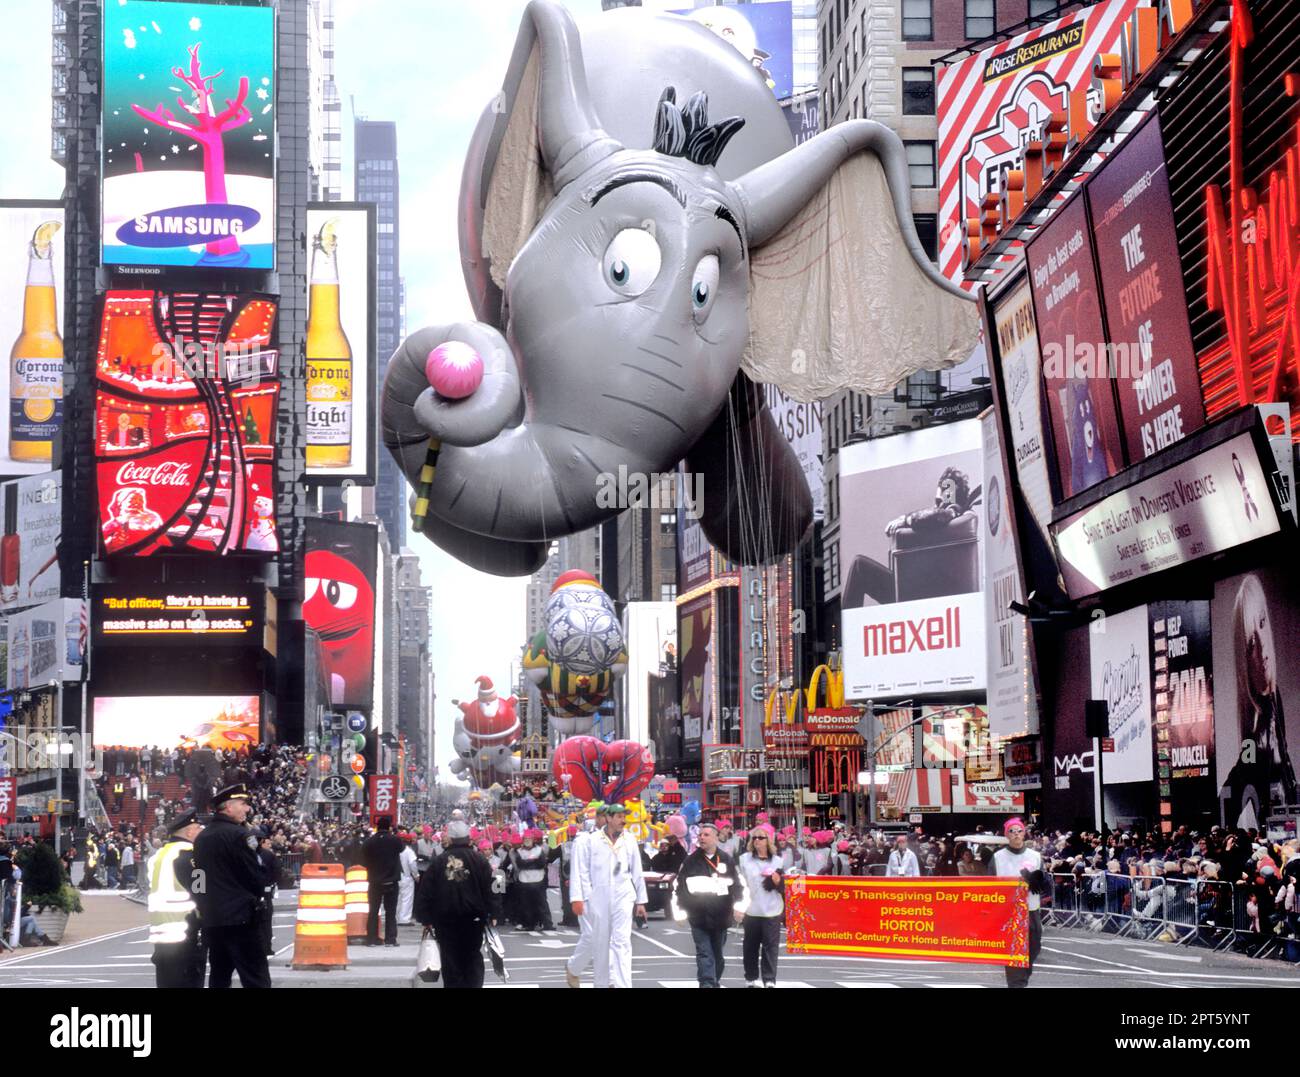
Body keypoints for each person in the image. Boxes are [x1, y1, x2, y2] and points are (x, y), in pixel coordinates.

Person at [191, 783, 271, 989]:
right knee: (255, 976)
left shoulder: (201, 838)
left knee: (219, 974)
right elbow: (255, 876)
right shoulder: (240, 835)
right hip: (242, 918)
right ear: (228, 807)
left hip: (213, 919)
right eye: (243, 804)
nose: (247, 809)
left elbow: (198, 876)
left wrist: (202, 903)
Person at [569, 801, 647, 989]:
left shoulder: (629, 839)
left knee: (622, 941)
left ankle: (622, 985)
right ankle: (602, 984)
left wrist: (641, 900)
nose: (623, 820)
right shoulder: (590, 840)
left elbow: (637, 870)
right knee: (601, 943)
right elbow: (580, 870)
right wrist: (578, 897)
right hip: (598, 896)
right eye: (619, 816)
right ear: (608, 818)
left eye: (624, 816)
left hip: (623, 895)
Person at [414, 813, 495, 988]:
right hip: (474, 917)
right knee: (472, 954)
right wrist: (494, 912)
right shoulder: (479, 860)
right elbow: (491, 888)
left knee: (450, 958)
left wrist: (425, 918)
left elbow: (425, 891)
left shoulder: (439, 862)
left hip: (445, 918)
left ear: (450, 839)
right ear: (468, 838)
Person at [676, 822, 743, 988]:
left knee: (717, 955)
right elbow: (681, 886)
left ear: (715, 838)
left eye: (706, 835)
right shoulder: (691, 861)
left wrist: (738, 907)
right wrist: (681, 909)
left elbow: (736, 885)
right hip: (698, 916)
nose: (701, 837)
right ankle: (707, 983)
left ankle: (714, 980)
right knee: (704, 952)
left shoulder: (726, 859)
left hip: (721, 916)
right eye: (700, 835)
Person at [147, 808, 206, 988]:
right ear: (189, 831)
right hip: (186, 931)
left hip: (161, 933)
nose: (202, 832)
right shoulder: (193, 855)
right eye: (198, 828)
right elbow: (202, 892)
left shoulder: (159, 856)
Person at [990, 818, 1047, 988]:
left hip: (1031, 910)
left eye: (1019, 830)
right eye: (1012, 831)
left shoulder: (1035, 856)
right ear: (1006, 835)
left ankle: (1020, 980)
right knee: (1014, 953)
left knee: (1033, 949)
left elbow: (1045, 883)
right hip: (1010, 913)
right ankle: (1017, 984)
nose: (1016, 834)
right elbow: (991, 886)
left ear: (1024, 833)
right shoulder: (998, 857)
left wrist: (1037, 880)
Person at [738, 825, 783, 988]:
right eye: (754, 837)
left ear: (769, 840)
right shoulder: (744, 859)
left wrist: (778, 882)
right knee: (750, 945)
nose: (757, 840)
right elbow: (740, 882)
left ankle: (769, 978)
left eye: (761, 837)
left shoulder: (778, 861)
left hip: (772, 909)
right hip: (752, 909)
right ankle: (750, 976)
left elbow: (786, 886)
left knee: (770, 947)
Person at [361, 815, 404, 946]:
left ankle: (371, 938)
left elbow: (363, 857)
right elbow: (402, 849)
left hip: (374, 881)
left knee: (373, 910)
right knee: (391, 911)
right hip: (391, 880)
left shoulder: (369, 841)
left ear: (377, 826)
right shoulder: (395, 840)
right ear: (389, 827)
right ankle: (390, 939)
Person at [512, 829, 553, 931]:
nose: (527, 840)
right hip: (524, 880)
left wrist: (528, 862)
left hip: (538, 880)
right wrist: (533, 861)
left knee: (542, 903)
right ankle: (529, 925)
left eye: (529, 839)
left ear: (533, 840)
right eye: (525, 839)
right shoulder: (519, 852)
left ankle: (547, 924)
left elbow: (541, 863)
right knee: (526, 904)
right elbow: (520, 864)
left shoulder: (539, 850)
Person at [256, 829, 278, 956]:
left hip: (251, 892)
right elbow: (277, 871)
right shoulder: (269, 855)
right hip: (266, 891)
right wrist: (272, 883)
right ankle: (266, 947)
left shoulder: (246, 854)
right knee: (266, 922)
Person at [397, 833, 419, 925]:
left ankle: (397, 917)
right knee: (407, 898)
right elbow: (412, 864)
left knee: (398, 898)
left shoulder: (396, 850)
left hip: (397, 876)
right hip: (407, 876)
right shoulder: (408, 851)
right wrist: (416, 875)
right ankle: (404, 919)